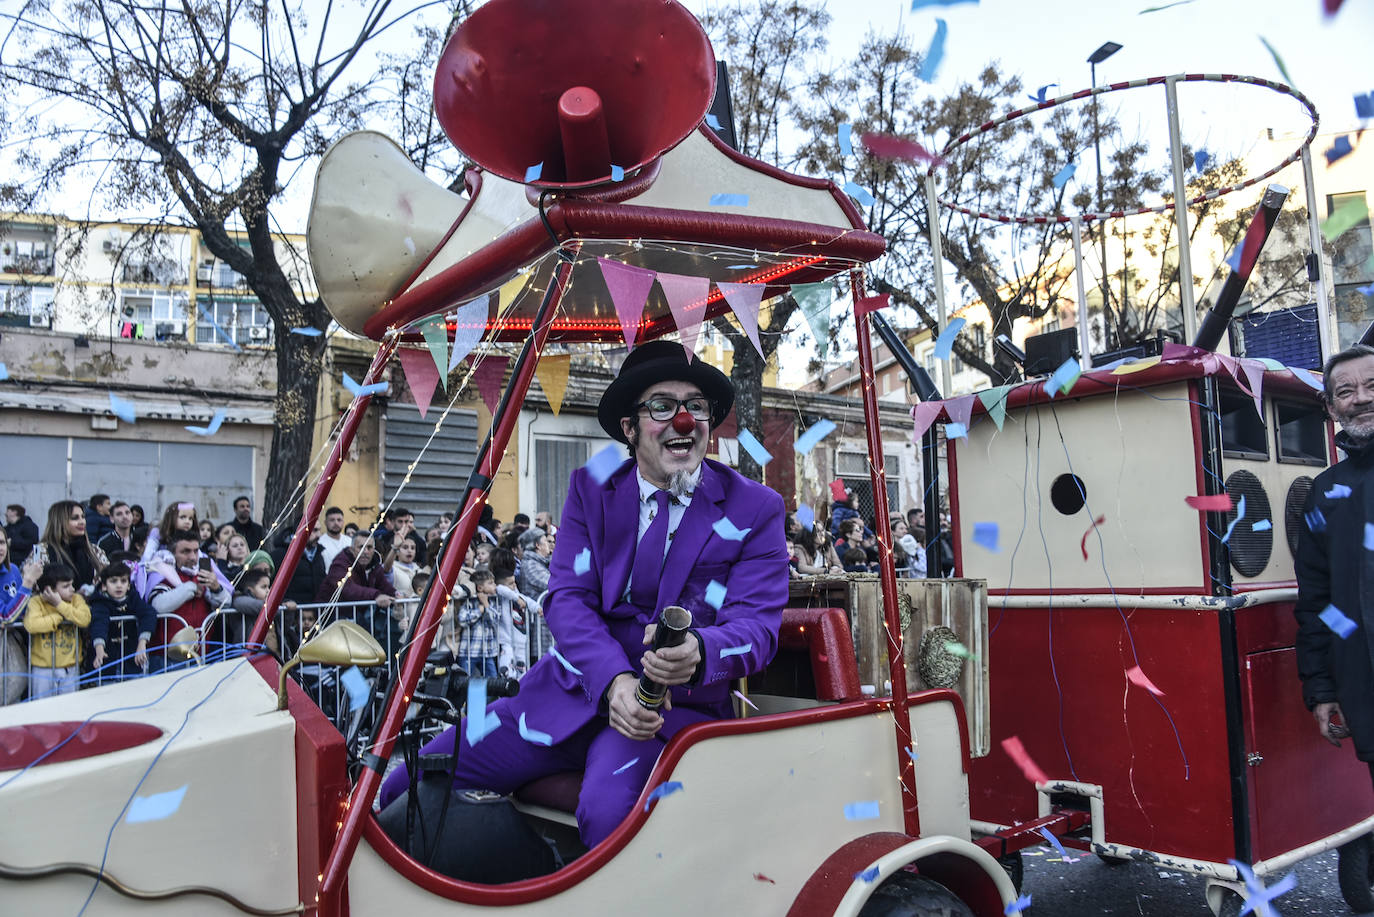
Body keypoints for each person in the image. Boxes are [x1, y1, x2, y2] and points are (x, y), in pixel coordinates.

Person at [379, 339, 788, 848]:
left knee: (608, 817)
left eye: (695, 406)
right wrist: (614, 680)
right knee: (406, 783)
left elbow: (757, 628)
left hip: (666, 717)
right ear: (630, 428)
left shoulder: (755, 508)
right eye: (662, 406)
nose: (683, 421)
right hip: (565, 695)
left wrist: (700, 651)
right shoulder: (590, 490)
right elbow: (567, 599)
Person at [1296, 345, 1374, 776]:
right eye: (1346, 391)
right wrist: (1321, 687)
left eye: (1372, 385)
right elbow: (1317, 601)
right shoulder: (1325, 493)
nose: (1361, 398)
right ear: (1330, 408)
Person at [146, 531, 230, 665]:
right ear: (172, 554)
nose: (192, 557)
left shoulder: (204, 575)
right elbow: (158, 606)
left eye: (196, 551)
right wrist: (190, 587)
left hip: (201, 654)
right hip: (167, 658)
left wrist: (216, 588)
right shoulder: (161, 574)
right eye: (185, 552)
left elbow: (226, 604)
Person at [319, 531, 398, 652]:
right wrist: (376, 595)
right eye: (361, 547)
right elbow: (348, 589)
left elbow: (384, 585)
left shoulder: (374, 564)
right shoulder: (340, 564)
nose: (365, 551)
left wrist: (396, 594)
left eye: (369, 547)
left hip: (356, 618)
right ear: (352, 549)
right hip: (332, 618)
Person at [24, 562, 90, 697]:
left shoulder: (76, 599)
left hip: (69, 667)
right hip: (43, 669)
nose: (72, 589)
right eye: (66, 586)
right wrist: (57, 618)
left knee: (69, 706)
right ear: (49, 590)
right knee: (42, 707)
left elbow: (85, 619)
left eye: (72, 584)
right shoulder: (36, 602)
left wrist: (59, 604)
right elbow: (31, 624)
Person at [88, 561, 157, 681]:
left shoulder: (133, 598)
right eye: (113, 581)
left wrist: (142, 643)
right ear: (104, 586)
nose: (119, 585)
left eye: (123, 581)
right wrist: (99, 648)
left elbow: (149, 613)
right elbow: (99, 623)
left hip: (131, 659)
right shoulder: (99, 602)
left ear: (129, 585)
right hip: (107, 661)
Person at [40, 500, 107, 595]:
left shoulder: (95, 550)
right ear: (60, 521)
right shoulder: (42, 551)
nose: (82, 522)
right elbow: (36, 588)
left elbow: (108, 581)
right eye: (75, 518)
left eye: (83, 517)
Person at [516, 526, 554, 660]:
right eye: (546, 541)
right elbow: (551, 583)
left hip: (546, 622)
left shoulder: (541, 563)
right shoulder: (530, 564)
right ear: (537, 545)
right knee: (543, 661)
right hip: (539, 623)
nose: (550, 544)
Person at [455, 569, 500, 677]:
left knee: (493, 681)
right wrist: (479, 611)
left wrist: (486, 605)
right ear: (480, 588)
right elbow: (462, 620)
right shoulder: (469, 602)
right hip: (469, 651)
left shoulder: (493, 601)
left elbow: (495, 620)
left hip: (487, 652)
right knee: (466, 681)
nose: (495, 585)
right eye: (490, 583)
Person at [0, 526, 40, 622]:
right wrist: (28, 582)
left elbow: (23, 610)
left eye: (2, 542)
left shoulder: (13, 569)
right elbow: (5, 617)